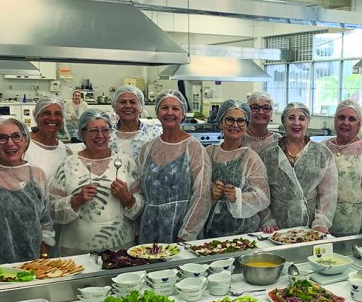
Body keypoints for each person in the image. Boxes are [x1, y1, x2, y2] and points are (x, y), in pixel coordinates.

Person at [49, 109, 142, 255]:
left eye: (105, 130)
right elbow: (52, 210)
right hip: (77, 252)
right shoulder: (68, 165)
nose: (100, 135)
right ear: (81, 134)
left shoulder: (125, 162)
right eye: (93, 130)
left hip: (120, 250)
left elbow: (141, 207)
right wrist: (76, 200)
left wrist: (128, 199)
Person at [0, 116, 55, 264]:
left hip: (34, 263)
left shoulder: (37, 174)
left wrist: (44, 257)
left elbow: (45, 222)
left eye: (16, 136)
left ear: (25, 140)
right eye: (2, 138)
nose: (10, 143)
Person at [137, 90, 212, 242]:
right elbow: (140, 190)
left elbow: (202, 195)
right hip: (149, 229)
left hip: (181, 231)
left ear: (183, 114)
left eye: (175, 108)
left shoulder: (194, 148)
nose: (169, 112)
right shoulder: (148, 148)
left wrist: (186, 234)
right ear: (157, 112)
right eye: (164, 108)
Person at [260, 103, 338, 233]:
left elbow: (328, 194)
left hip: (311, 226)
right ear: (284, 121)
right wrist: (267, 220)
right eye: (291, 118)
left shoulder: (322, 153)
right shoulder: (269, 153)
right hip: (276, 227)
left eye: (301, 118)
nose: (296, 123)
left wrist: (321, 222)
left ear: (307, 122)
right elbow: (262, 191)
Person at [205, 99, 270, 238]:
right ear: (220, 122)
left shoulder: (250, 158)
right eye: (229, 120)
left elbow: (263, 197)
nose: (235, 125)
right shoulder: (209, 152)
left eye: (241, 121)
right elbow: (196, 190)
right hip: (210, 230)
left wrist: (238, 196)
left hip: (245, 232)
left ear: (246, 125)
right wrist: (211, 194)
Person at [322, 99, 362, 236]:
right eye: (341, 117)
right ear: (335, 120)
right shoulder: (323, 148)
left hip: (355, 227)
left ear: (359, 124)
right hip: (322, 224)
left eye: (352, 119)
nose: (346, 122)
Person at [109, 85, 162, 161]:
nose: (128, 106)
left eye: (132, 102)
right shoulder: (107, 134)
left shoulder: (154, 133)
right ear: (115, 107)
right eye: (123, 102)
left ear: (141, 107)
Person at [25, 95, 73, 181]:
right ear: (36, 116)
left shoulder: (66, 152)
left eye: (57, 114)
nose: (52, 118)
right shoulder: (22, 146)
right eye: (46, 113)